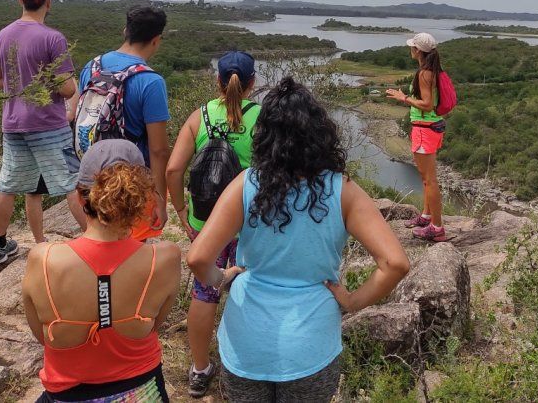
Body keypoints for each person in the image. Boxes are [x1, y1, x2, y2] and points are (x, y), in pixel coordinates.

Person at [187, 77, 410, 403]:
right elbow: (395, 264)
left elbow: (197, 258)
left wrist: (222, 279)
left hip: (246, 344)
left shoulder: (247, 183)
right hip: (311, 347)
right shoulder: (342, 190)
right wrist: (351, 302)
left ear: (264, 134)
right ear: (319, 132)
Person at [22, 140, 181, 402]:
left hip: (69, 394)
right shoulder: (164, 258)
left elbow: (42, 336)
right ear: (141, 197)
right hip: (143, 391)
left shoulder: (44, 259)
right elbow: (156, 325)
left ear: (80, 195)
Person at [166, 51, 260, 398]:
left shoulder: (200, 116)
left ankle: (200, 369)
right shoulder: (262, 118)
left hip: (205, 221)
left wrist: (181, 213)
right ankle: (248, 368)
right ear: (252, 83)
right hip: (248, 223)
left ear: (218, 82)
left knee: (205, 294)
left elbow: (174, 170)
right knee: (250, 292)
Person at [0, 0, 86, 265]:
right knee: (71, 183)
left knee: (7, 185)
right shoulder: (52, 38)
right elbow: (67, 88)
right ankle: (96, 242)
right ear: (48, 2)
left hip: (13, 123)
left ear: (20, 0)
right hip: (48, 125)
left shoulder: (3, 35)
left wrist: (18, 84)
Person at [79, 5, 171, 240]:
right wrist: (159, 198)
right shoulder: (150, 82)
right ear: (156, 40)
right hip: (130, 184)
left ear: (125, 31)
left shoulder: (92, 67)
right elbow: (159, 149)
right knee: (130, 247)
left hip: (94, 177)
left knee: (98, 241)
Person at [386, 32, 447, 242]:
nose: (410, 49)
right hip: (432, 128)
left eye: (412, 47)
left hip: (424, 130)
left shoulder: (424, 73)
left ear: (418, 51)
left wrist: (404, 98)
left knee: (430, 181)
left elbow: (427, 104)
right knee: (426, 178)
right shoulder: (433, 71)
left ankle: (437, 228)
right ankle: (426, 216)